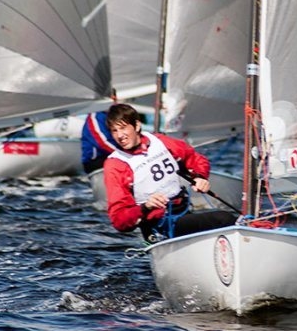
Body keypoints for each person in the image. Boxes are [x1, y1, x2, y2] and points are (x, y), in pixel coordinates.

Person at [103, 103, 237, 241]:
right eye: (114, 131)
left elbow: (196, 159)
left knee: (235, 221)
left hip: (183, 213)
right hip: (160, 226)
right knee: (224, 219)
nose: (120, 136)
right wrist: (146, 206)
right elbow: (119, 220)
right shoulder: (115, 165)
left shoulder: (160, 141)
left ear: (136, 126)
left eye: (123, 128)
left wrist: (200, 177)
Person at [81, 109, 120, 174]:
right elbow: (102, 142)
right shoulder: (95, 117)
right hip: (95, 160)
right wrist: (122, 153)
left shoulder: (114, 115)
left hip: (113, 155)